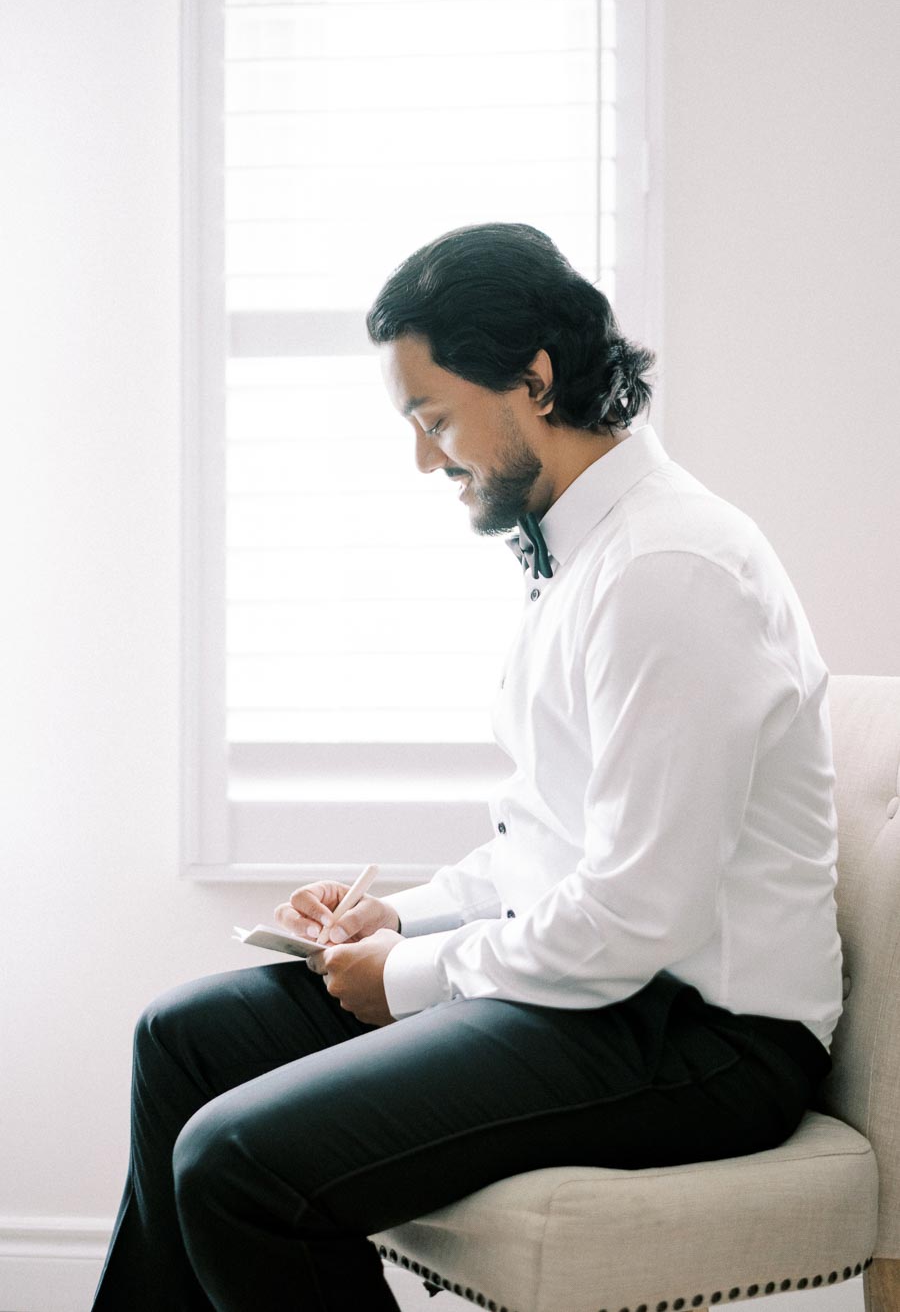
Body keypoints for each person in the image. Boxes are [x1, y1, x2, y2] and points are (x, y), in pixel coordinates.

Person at [92, 223, 843, 1312]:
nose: (423, 459)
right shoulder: (582, 555)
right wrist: (400, 919)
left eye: (434, 418)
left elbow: (637, 914)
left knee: (238, 1163)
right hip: (601, 992)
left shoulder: (670, 569)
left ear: (533, 379)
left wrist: (408, 976)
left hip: (705, 1038)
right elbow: (551, 846)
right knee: (183, 1041)